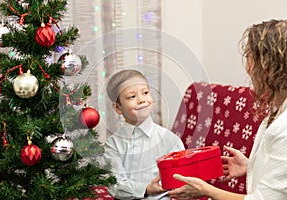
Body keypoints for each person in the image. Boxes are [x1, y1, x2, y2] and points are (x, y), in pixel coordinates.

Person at [168, 19, 287, 200]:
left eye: (249, 57)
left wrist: (205, 190)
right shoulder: (279, 107)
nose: (247, 67)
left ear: (270, 65)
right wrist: (251, 167)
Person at [104, 69, 185, 199]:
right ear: (118, 108)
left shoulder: (170, 140)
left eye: (145, 93)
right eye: (132, 96)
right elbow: (114, 184)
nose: (141, 100)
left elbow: (183, 177)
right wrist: (146, 189)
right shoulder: (113, 144)